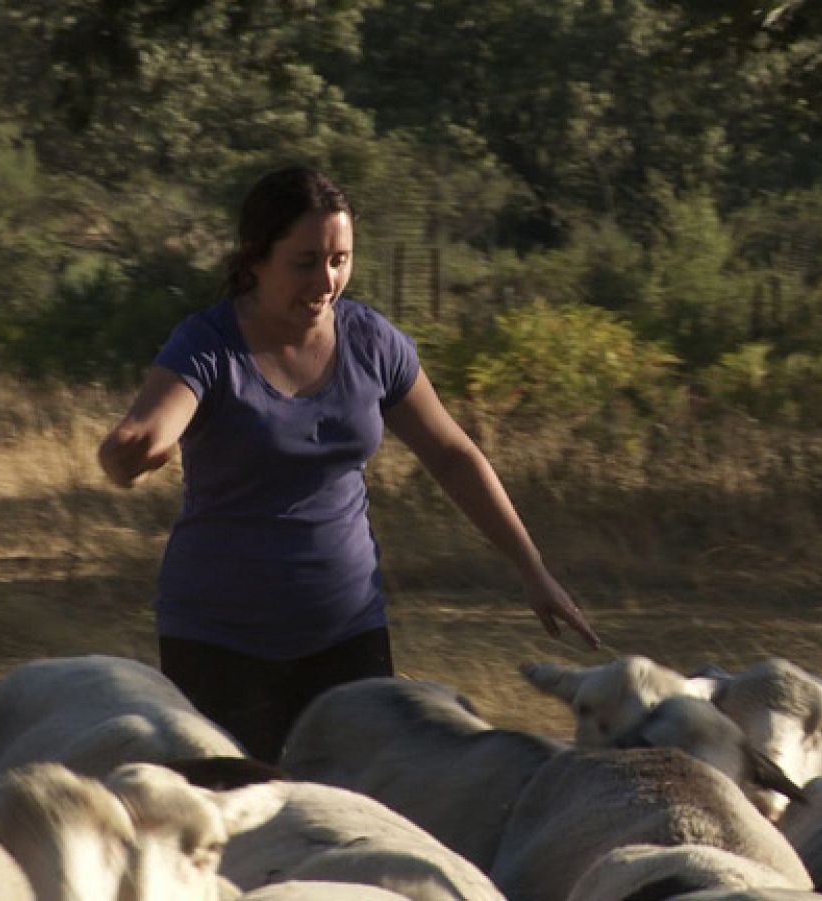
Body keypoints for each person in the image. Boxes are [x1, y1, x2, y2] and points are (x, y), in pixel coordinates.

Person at [97, 166, 600, 762]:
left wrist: (531, 567)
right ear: (256, 258)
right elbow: (149, 431)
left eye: (340, 259)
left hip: (347, 631)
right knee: (239, 827)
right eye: (305, 262)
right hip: (220, 641)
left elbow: (452, 454)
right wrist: (130, 455)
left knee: (360, 817)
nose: (326, 281)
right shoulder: (208, 345)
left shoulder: (371, 342)